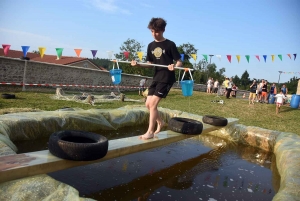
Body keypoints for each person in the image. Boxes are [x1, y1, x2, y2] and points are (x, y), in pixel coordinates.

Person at [131, 17, 182, 140]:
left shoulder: (170, 44)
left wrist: (174, 67)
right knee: (148, 104)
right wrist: (138, 64)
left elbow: (180, 61)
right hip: (156, 77)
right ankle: (161, 122)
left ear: (163, 30)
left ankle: (150, 131)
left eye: (157, 31)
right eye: (152, 31)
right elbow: (150, 64)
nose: (154, 34)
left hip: (167, 78)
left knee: (153, 104)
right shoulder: (150, 46)